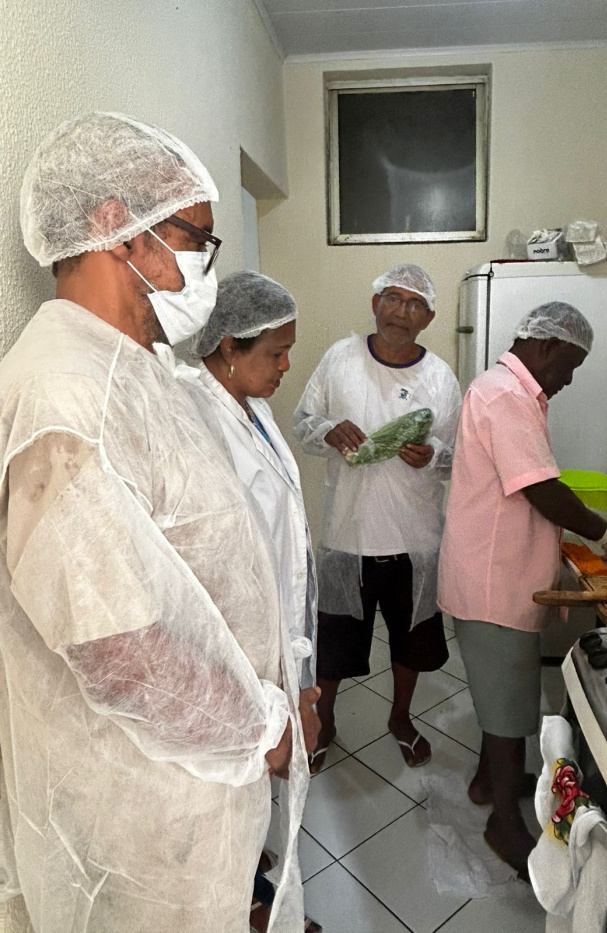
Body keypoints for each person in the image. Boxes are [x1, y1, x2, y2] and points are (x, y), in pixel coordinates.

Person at [0, 112, 312, 933]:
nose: (204, 267)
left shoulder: (136, 369)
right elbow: (119, 649)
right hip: (146, 810)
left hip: (194, 792)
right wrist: (259, 731)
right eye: (193, 239)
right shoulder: (65, 395)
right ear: (115, 227)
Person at [438, 301, 607, 880]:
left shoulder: (507, 390)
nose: (568, 380)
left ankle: (488, 782)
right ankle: (504, 822)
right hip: (495, 583)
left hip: (497, 573)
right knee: (510, 709)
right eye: (571, 366)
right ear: (545, 347)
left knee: (496, 694)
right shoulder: (507, 396)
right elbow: (543, 492)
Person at [188, 270, 321, 933]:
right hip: (237, 652)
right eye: (275, 352)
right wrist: (280, 687)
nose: (286, 366)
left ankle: (264, 895)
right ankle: (251, 909)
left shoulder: (256, 411)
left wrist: (298, 679)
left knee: (260, 800)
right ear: (229, 347)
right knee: (231, 797)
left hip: (276, 642)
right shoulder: (195, 419)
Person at [293, 264, 462, 772]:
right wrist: (326, 430)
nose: (401, 312)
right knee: (333, 647)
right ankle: (325, 723)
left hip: (415, 539)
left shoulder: (440, 378)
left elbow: (461, 458)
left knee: (412, 644)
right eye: (393, 298)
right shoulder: (339, 360)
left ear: (429, 317)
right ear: (375, 303)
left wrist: (433, 453)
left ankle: (401, 718)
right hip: (347, 536)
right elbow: (301, 423)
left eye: (415, 304)